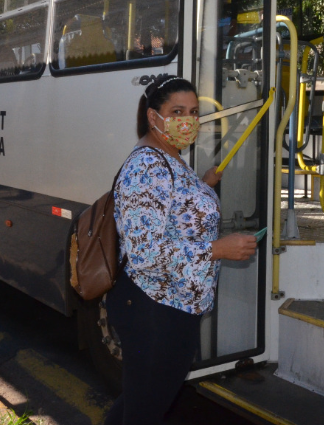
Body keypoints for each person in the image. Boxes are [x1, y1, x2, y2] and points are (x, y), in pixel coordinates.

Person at [104, 75, 257, 425]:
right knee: (144, 411)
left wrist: (202, 186)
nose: (187, 120)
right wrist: (217, 249)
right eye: (176, 111)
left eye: (193, 111)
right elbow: (145, 256)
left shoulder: (169, 158)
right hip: (154, 311)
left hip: (172, 308)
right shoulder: (147, 165)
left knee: (140, 404)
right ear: (153, 117)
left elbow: (171, 213)